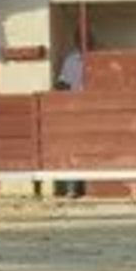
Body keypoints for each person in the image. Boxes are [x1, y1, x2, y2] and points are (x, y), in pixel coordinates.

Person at [54, 27, 88, 199]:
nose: (85, 41)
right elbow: (62, 84)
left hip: (91, 107)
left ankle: (83, 187)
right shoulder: (71, 60)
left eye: (88, 38)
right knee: (73, 147)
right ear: (76, 41)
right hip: (74, 108)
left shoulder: (99, 57)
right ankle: (73, 188)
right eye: (81, 38)